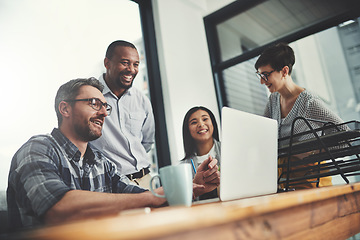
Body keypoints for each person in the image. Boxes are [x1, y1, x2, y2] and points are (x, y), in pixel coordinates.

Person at [7, 78, 220, 230]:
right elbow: (58, 207)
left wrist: (193, 187)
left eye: (105, 106)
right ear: (65, 109)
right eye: (94, 104)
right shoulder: (37, 149)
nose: (103, 113)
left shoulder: (102, 162)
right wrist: (152, 196)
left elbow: (140, 197)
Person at [254, 42, 349, 189]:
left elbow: (345, 134)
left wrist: (314, 152)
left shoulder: (308, 102)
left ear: (284, 71)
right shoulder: (273, 101)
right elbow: (263, 136)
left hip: (314, 180)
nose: (262, 81)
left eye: (266, 75)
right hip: (285, 180)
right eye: (260, 75)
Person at [91, 40, 155, 189]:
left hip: (145, 181)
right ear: (107, 63)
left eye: (136, 64)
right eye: (125, 63)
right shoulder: (90, 96)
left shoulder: (142, 100)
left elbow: (147, 142)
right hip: (111, 185)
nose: (131, 70)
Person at [181, 106, 221, 199]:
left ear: (213, 123)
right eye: (194, 122)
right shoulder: (183, 167)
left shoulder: (229, 152)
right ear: (188, 130)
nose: (201, 124)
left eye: (205, 119)